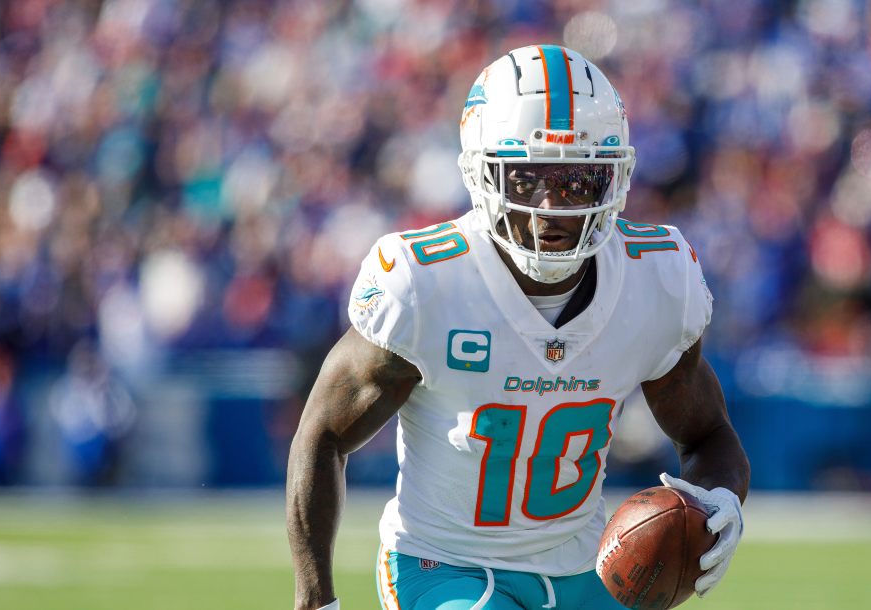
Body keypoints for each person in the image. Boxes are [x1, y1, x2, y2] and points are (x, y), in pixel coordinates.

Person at [286, 45, 750, 610]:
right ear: (482, 175)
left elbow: (708, 435)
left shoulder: (658, 278)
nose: (552, 206)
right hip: (441, 568)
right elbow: (323, 433)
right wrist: (316, 600)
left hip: (583, 571)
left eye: (579, 180)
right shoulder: (427, 283)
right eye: (527, 178)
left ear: (615, 179)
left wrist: (722, 502)